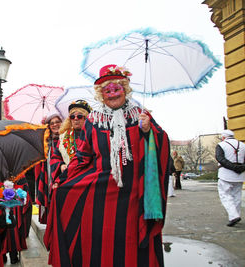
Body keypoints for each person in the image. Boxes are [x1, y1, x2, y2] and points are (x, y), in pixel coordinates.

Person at [44, 64, 170, 266]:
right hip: (101, 187)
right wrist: (62, 180)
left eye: (116, 89)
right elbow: (83, 156)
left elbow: (161, 147)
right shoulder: (93, 120)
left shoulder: (141, 115)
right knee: (97, 233)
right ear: (101, 94)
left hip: (134, 192)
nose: (112, 94)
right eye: (107, 90)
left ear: (125, 89)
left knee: (130, 240)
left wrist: (149, 132)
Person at [50, 100, 92, 187]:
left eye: (79, 116)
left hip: (89, 179)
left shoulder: (93, 134)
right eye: (72, 116)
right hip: (69, 178)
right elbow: (55, 158)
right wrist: (61, 166)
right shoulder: (63, 137)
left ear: (86, 118)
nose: (75, 119)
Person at [35, 112, 62, 223]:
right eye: (52, 123)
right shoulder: (45, 142)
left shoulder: (67, 138)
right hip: (47, 176)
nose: (55, 125)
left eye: (57, 122)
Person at [215, 129, 245, 227]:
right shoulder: (243, 145)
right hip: (240, 174)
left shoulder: (221, 145)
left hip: (226, 174)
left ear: (224, 137)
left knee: (225, 195)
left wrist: (233, 167)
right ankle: (235, 215)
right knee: (237, 196)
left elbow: (220, 159)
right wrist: (240, 168)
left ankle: (233, 216)